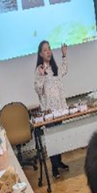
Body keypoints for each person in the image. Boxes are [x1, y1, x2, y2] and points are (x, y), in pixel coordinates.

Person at [34, 40, 69, 179]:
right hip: (49, 111)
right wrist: (42, 76)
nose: (48, 51)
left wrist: (64, 55)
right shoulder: (39, 69)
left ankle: (59, 162)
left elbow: (64, 70)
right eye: (45, 50)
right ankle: (54, 167)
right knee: (52, 138)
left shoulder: (54, 67)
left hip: (59, 108)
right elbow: (38, 89)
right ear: (40, 54)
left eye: (49, 49)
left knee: (59, 136)